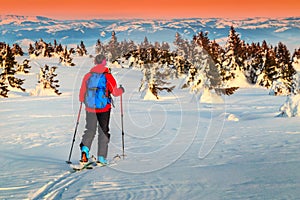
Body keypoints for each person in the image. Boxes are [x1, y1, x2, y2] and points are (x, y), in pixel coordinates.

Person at [79, 54, 124, 165]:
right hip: (104, 109)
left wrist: (85, 102)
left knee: (90, 130)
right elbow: (115, 92)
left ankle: (85, 150)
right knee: (103, 132)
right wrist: (121, 90)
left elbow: (81, 94)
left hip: (90, 108)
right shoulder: (108, 76)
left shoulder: (88, 76)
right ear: (104, 62)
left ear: (95, 62)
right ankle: (101, 158)